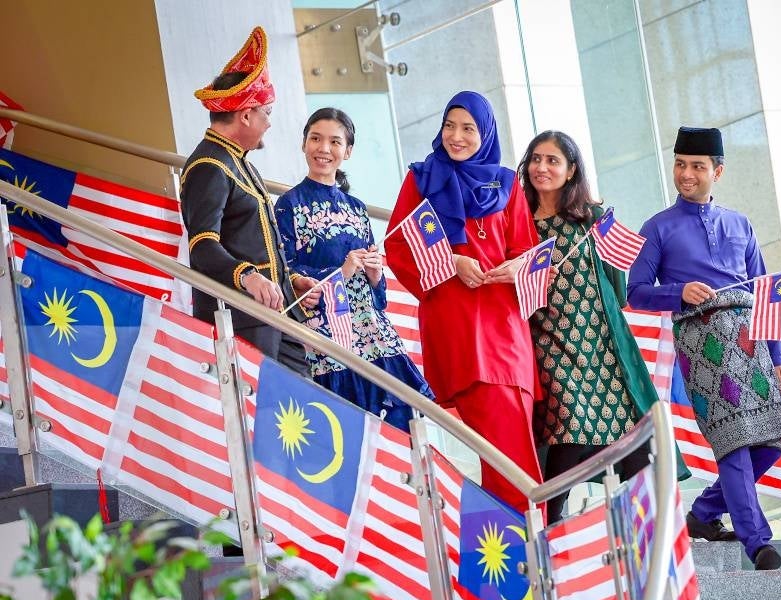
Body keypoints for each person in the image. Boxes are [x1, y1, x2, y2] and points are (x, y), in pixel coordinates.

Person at [627, 126, 781, 570]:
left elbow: (764, 291)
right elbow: (636, 291)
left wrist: (779, 356)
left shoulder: (740, 224)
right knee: (733, 442)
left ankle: (703, 513)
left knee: (772, 440)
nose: (686, 174)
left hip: (752, 341)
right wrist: (678, 292)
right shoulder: (657, 228)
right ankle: (758, 543)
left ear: (717, 171)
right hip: (704, 347)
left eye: (697, 167)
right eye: (680, 164)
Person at [518, 131, 692, 524]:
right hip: (547, 343)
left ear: (571, 169)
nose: (542, 168)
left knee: (629, 434)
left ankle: (654, 527)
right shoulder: (518, 222)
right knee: (567, 422)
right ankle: (549, 522)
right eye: (536, 159)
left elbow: (618, 287)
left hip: (601, 345)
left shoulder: (591, 220)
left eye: (553, 161)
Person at [385, 91, 543, 514]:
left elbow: (527, 252)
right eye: (450, 126)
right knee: (502, 452)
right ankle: (521, 553)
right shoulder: (421, 179)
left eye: (468, 128)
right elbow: (398, 246)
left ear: (486, 132)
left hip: (503, 328)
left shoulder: (508, 184)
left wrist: (517, 268)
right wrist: (451, 261)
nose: (456, 136)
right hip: (453, 323)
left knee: (510, 450)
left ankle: (514, 554)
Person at [275, 107, 433, 431]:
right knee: (342, 425)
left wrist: (375, 276)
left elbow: (380, 297)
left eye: (334, 142)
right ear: (304, 144)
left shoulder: (358, 209)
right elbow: (286, 270)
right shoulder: (288, 205)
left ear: (347, 151)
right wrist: (342, 272)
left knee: (402, 420)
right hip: (327, 328)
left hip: (372, 327)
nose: (323, 148)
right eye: (316, 139)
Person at [180, 26, 318, 375]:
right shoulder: (209, 166)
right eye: (266, 113)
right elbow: (202, 246)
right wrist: (249, 278)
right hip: (242, 319)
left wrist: (290, 281)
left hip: (274, 313)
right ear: (245, 115)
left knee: (297, 410)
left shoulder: (237, 161)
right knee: (262, 417)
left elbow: (252, 243)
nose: (269, 123)